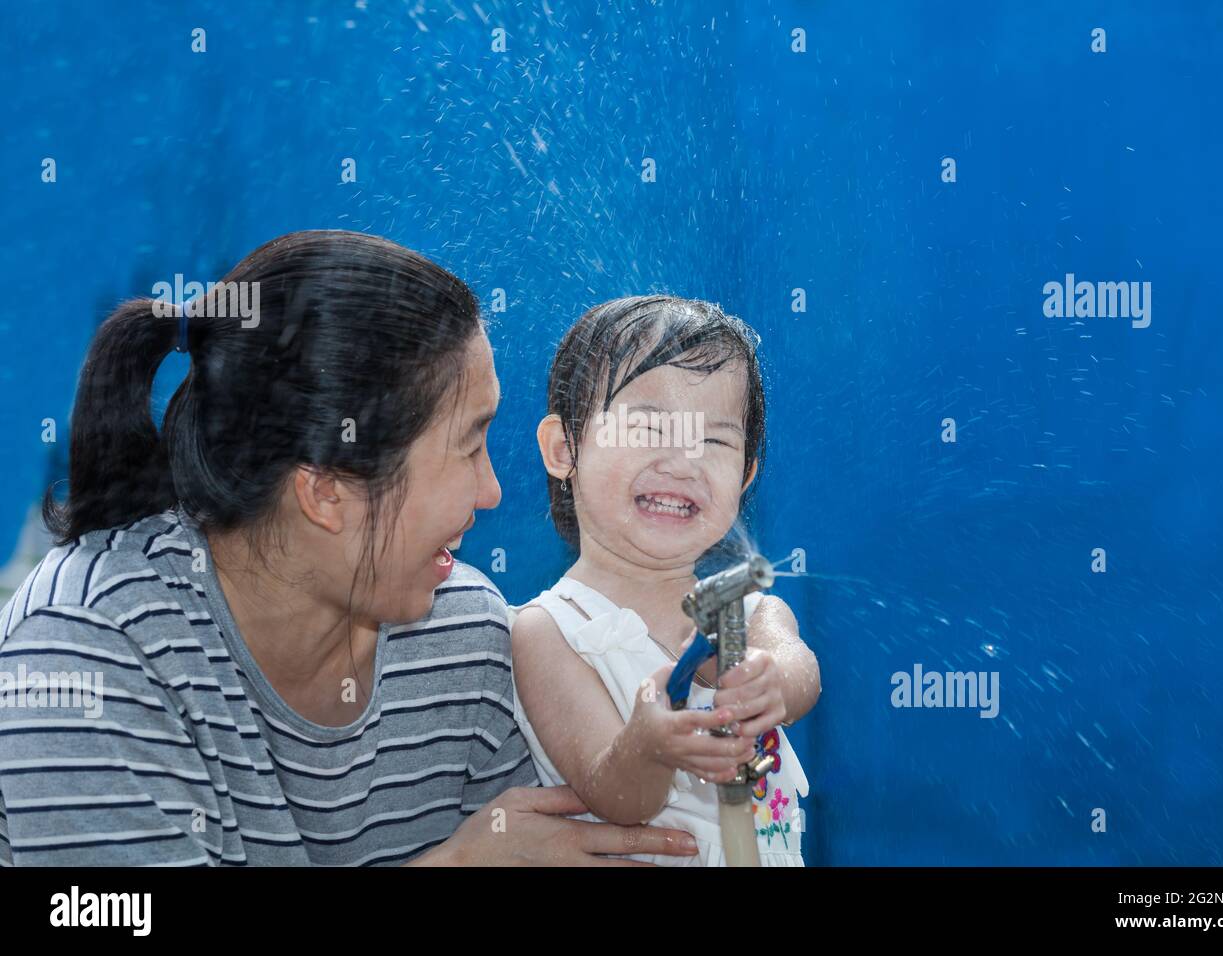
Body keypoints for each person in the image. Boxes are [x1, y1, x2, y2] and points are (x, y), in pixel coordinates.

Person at [0, 231, 701, 865]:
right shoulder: (87, 649)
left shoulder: (463, 637)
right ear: (327, 491)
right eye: (467, 446)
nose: (492, 492)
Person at [510, 295, 821, 865]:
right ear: (564, 449)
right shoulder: (550, 631)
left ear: (746, 473)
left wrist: (771, 679)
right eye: (648, 428)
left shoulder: (748, 610)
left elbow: (799, 669)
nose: (683, 461)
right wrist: (647, 745)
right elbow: (618, 797)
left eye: (715, 441)